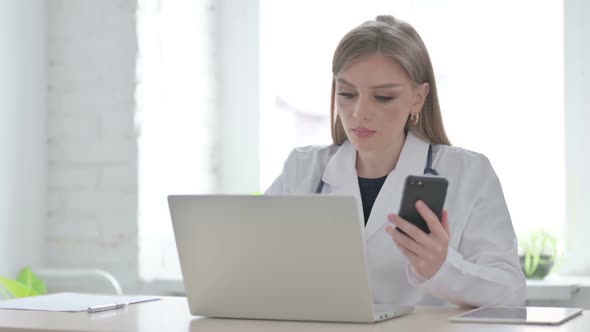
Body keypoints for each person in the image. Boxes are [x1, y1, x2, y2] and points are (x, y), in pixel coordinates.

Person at [265, 15, 526, 307]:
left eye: (383, 97)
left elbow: (510, 293)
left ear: (418, 98)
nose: (359, 112)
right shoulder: (302, 169)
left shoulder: (468, 173)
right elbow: (251, 262)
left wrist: (442, 268)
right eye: (347, 93)